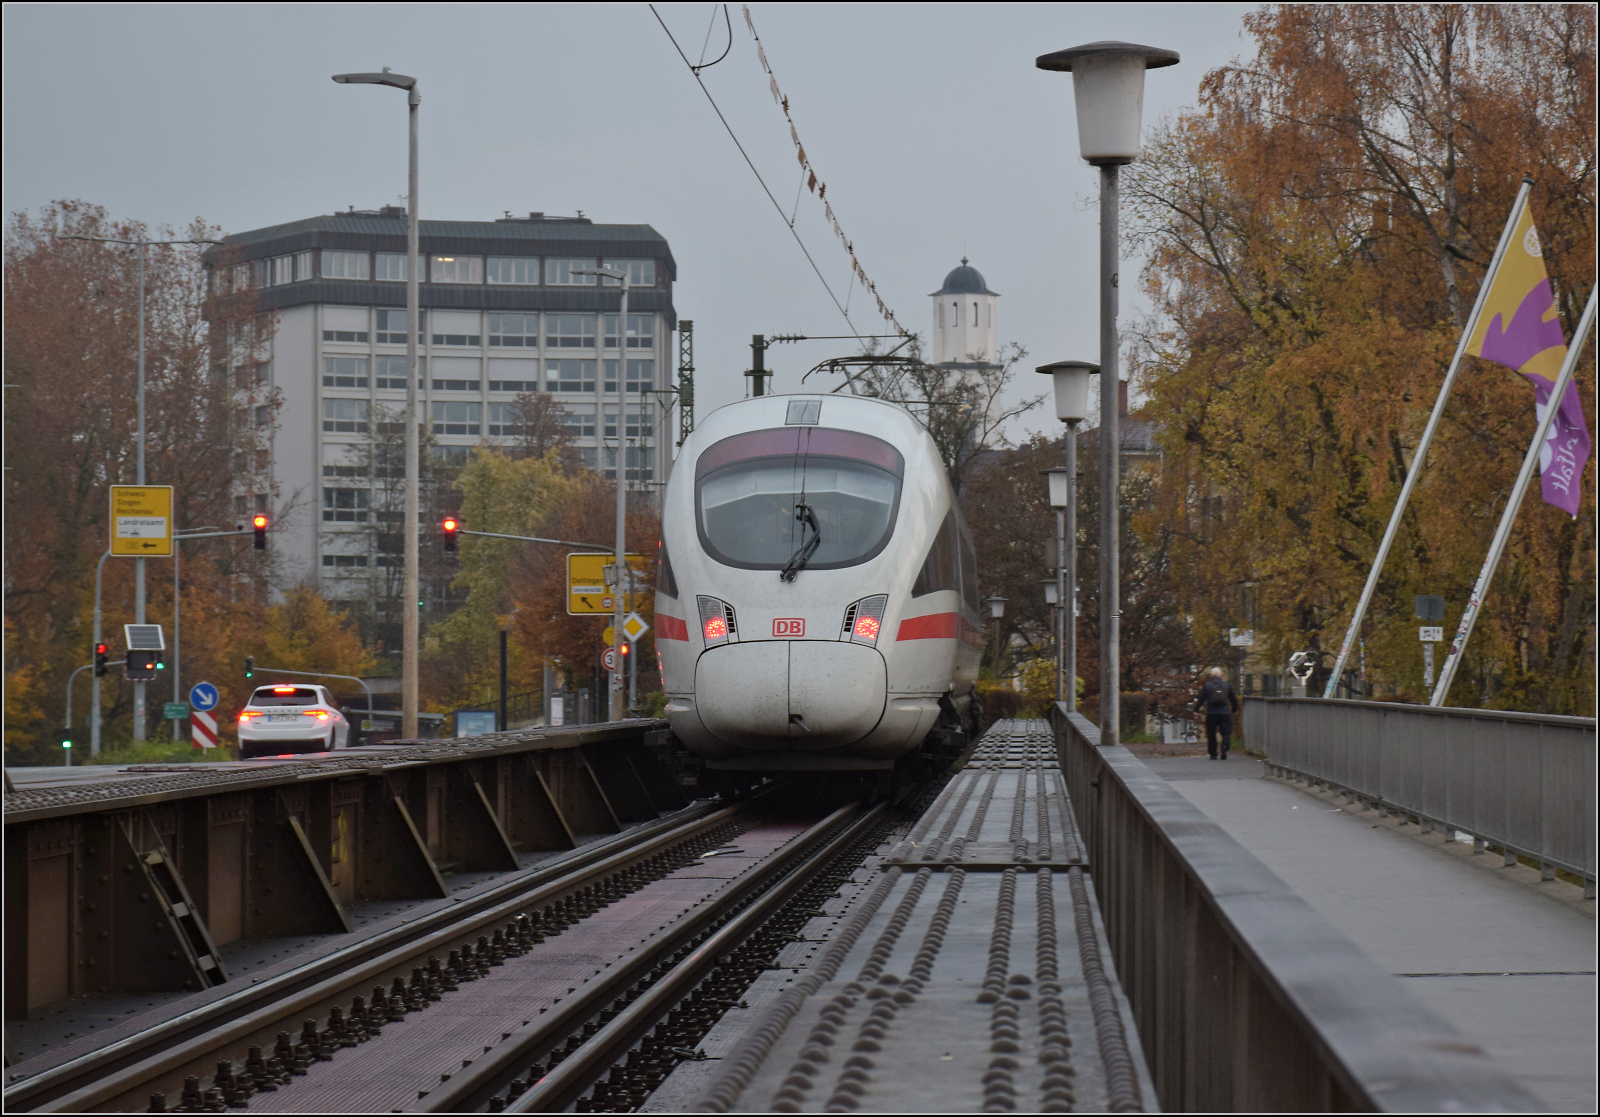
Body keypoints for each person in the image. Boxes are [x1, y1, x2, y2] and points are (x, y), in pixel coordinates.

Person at [1192, 667, 1239, 759]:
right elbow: (1233, 699)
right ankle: (1224, 747)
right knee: (1226, 732)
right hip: (1225, 713)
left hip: (1211, 713)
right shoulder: (1226, 685)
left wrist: (1196, 710)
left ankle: (1213, 753)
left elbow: (1201, 699)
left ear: (1211, 676)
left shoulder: (1207, 685)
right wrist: (1234, 710)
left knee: (1211, 733)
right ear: (1221, 675)